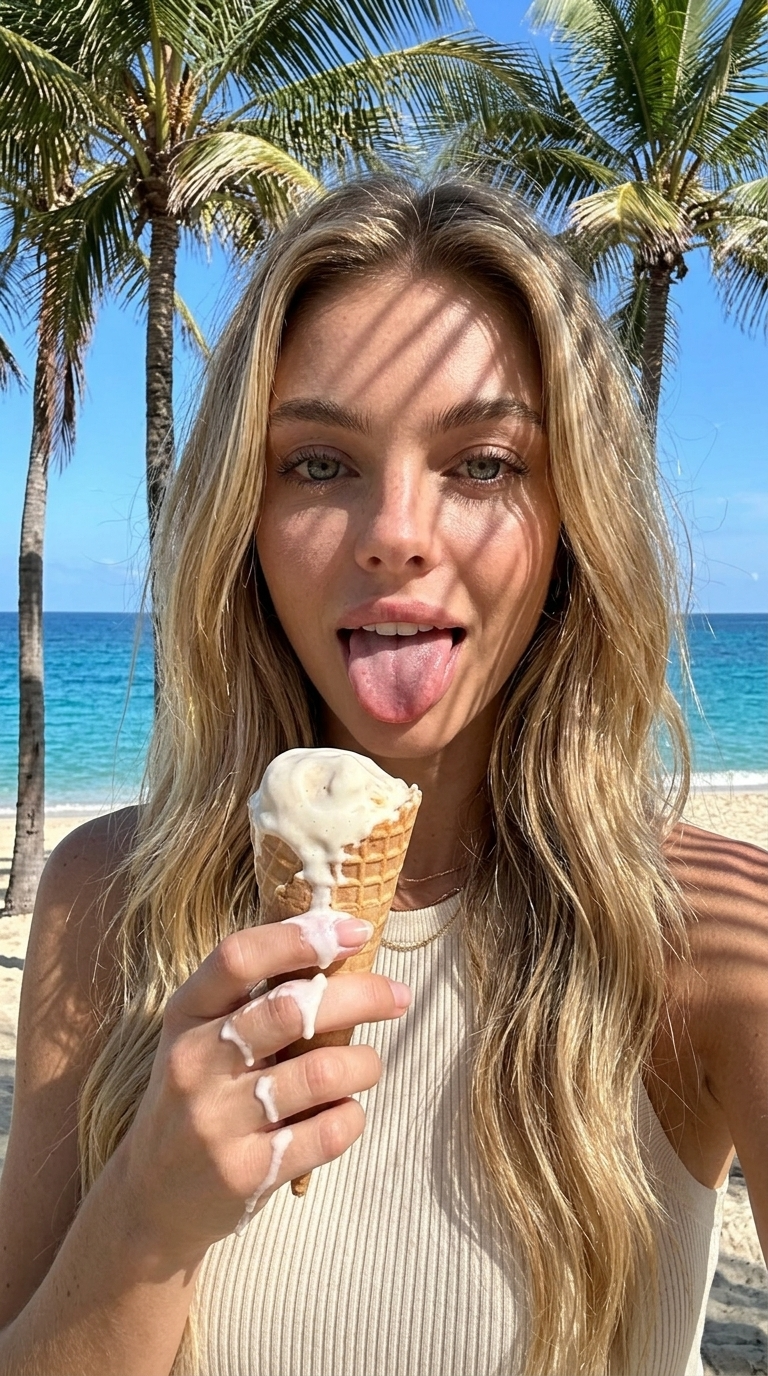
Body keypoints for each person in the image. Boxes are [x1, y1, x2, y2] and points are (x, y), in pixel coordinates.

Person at [0, 177, 765, 1376]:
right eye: (317, 462)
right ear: (241, 520)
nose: (397, 531)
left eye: (483, 463)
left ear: (571, 518)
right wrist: (144, 1217)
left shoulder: (709, 937)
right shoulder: (107, 899)